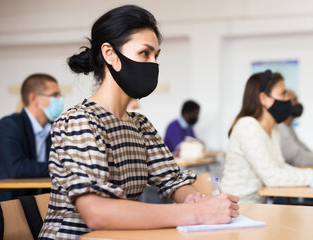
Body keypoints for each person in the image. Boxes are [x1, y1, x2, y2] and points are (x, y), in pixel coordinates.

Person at [39, 5, 238, 240]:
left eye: (156, 56)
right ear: (109, 53)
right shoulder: (78, 121)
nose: (153, 64)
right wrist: (194, 212)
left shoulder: (140, 125)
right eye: (145, 53)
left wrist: (193, 198)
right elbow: (97, 212)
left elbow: (173, 181)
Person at [220, 70, 313, 203]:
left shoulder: (273, 129)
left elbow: (281, 167)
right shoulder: (247, 126)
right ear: (263, 98)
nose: (287, 100)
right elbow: (272, 177)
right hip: (236, 206)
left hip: (258, 205)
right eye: (283, 93)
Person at [0, 73, 63, 201]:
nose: (60, 100)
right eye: (55, 95)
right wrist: (60, 166)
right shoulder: (9, 125)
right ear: (33, 98)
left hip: (44, 202)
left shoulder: (57, 128)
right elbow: (17, 168)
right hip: (10, 204)